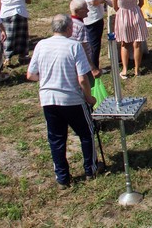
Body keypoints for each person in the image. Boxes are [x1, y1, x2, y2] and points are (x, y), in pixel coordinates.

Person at [26, 14, 98, 189]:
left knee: (56, 139)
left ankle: (62, 177)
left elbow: (30, 74)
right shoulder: (74, 46)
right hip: (71, 99)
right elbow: (82, 79)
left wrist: (48, 81)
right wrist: (89, 97)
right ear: (68, 28)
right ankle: (90, 169)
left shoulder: (41, 45)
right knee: (86, 133)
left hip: (48, 99)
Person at [112, 0, 148, 79]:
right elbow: (141, 2)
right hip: (135, 13)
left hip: (123, 15)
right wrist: (134, 7)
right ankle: (137, 70)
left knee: (124, 43)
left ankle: (125, 70)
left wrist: (122, 10)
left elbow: (115, 5)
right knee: (137, 43)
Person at [68, 0, 105, 72]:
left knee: (83, 44)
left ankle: (85, 66)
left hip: (79, 15)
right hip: (93, 16)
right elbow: (92, 1)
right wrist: (103, 0)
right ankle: (94, 67)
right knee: (94, 44)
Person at [0, 0, 31, 66]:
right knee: (22, 35)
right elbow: (28, 0)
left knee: (7, 36)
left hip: (6, 13)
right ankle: (22, 55)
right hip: (20, 13)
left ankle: (7, 58)